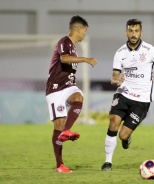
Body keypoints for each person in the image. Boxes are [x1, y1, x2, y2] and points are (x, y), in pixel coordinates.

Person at [100, 19, 154, 171]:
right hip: (123, 93)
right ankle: (108, 162)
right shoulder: (120, 53)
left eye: (136, 31)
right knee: (113, 121)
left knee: (123, 135)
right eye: (130, 31)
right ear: (126, 32)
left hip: (142, 99)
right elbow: (115, 75)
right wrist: (115, 80)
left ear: (141, 32)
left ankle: (127, 138)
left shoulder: (150, 50)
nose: (133, 34)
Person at [45, 15, 97, 173]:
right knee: (57, 127)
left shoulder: (74, 47)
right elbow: (64, 58)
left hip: (67, 87)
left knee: (78, 97)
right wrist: (86, 59)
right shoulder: (64, 42)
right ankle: (60, 165)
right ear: (78, 29)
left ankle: (66, 130)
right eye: (85, 31)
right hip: (54, 89)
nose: (85, 35)